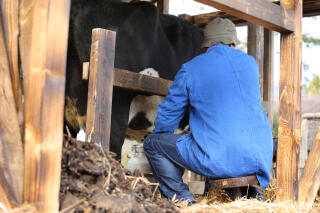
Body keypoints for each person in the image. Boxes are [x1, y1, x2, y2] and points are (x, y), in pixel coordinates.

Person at [143, 17, 273, 203]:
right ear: (232, 42)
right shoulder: (250, 64)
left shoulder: (191, 69)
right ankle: (252, 197)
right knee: (226, 148)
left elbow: (168, 116)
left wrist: (166, 141)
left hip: (219, 157)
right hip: (259, 157)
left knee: (153, 143)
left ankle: (184, 202)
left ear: (206, 45)